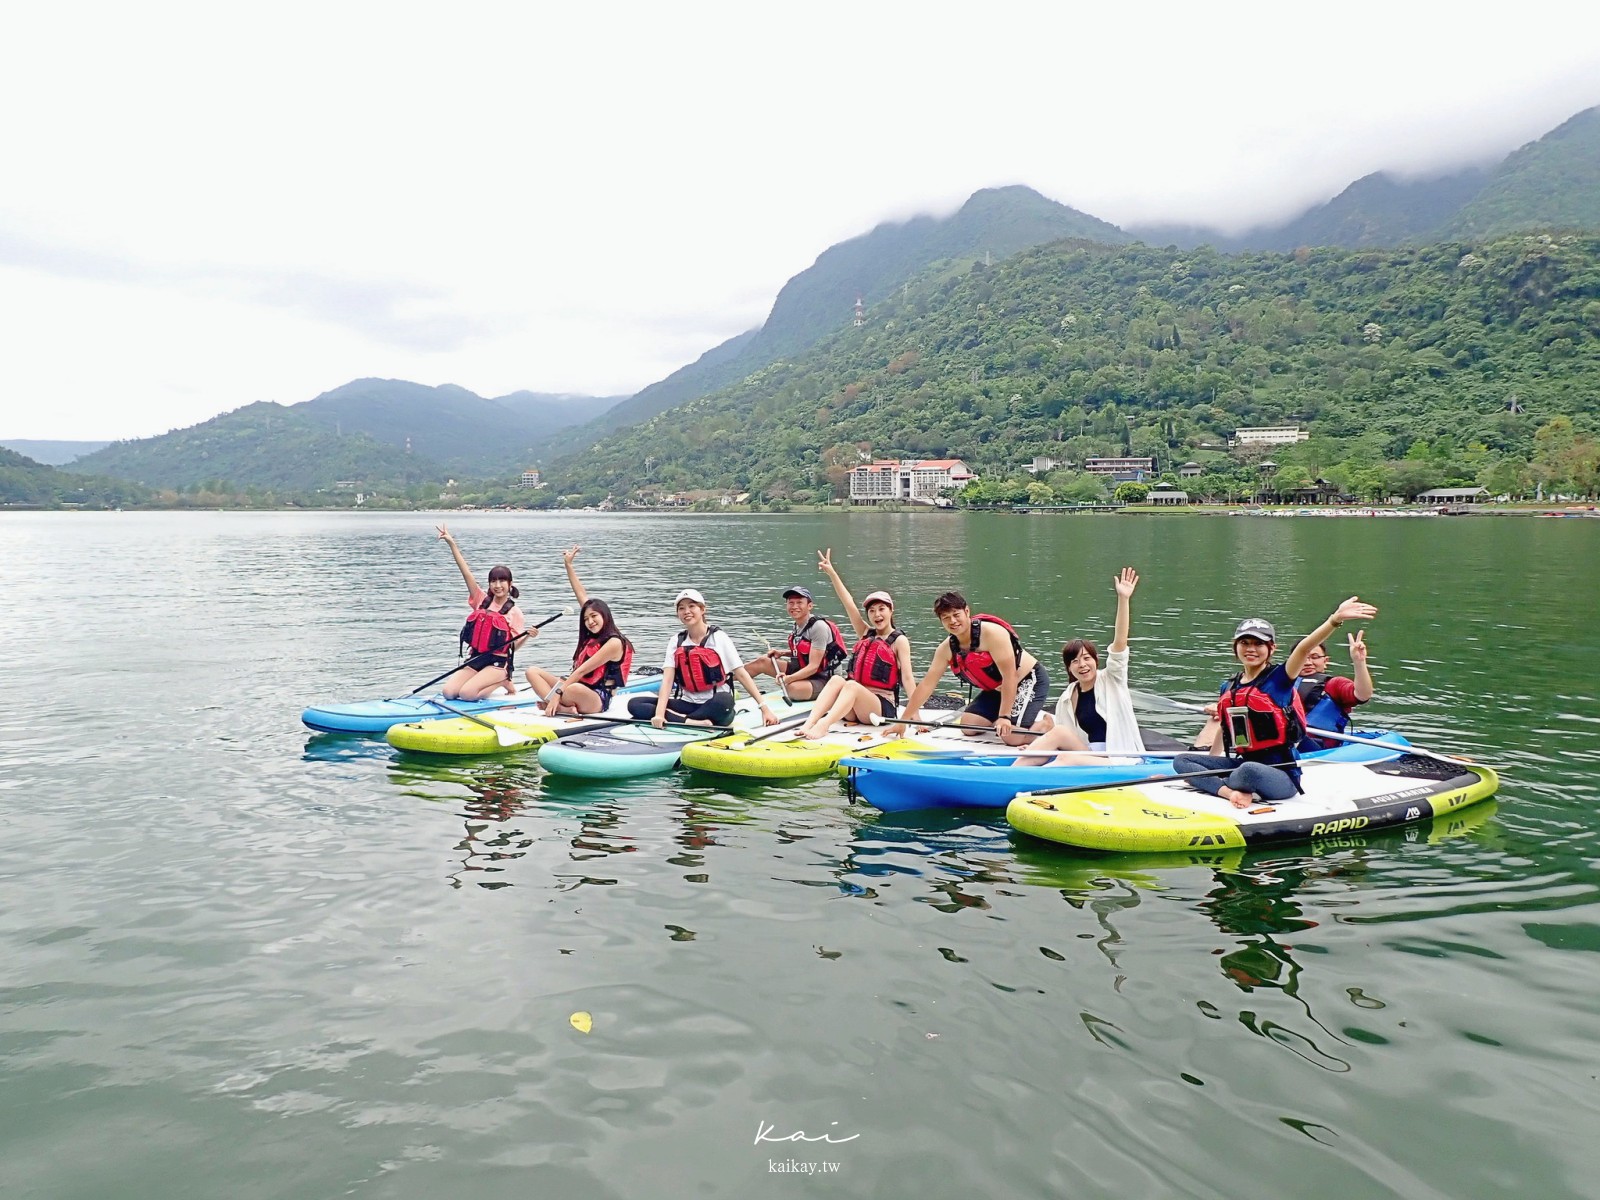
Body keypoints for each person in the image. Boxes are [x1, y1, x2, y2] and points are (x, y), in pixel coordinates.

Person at [1171, 597, 1378, 809]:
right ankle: (1227, 792)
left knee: (1248, 770)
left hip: (1279, 775)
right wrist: (1206, 768)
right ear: (1235, 647)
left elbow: (1303, 649)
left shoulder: (1279, 679)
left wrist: (1334, 620)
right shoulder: (1229, 686)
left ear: (1271, 648)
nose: (1251, 649)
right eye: (1245, 643)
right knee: (1182, 761)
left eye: (1258, 643)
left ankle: (1218, 785)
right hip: (1243, 763)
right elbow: (1225, 729)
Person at [1014, 567, 1145, 765]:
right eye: (1074, 661)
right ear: (1069, 668)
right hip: (1089, 754)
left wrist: (1123, 599)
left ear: (1096, 660)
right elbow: (1064, 735)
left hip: (1119, 759)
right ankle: (1016, 772)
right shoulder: (1069, 695)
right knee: (1057, 735)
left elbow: (1120, 643)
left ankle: (1028, 778)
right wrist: (1039, 747)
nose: (1082, 665)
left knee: (1066, 758)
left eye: (1086, 658)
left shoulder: (1112, 679)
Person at [897, 592, 1049, 747]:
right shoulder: (946, 648)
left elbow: (1010, 676)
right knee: (969, 725)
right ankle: (1009, 718)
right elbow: (927, 684)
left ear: (967, 612)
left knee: (1012, 738)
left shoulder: (992, 634)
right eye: (946, 618)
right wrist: (903, 720)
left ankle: (1045, 724)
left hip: (1028, 679)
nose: (953, 621)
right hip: (997, 689)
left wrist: (1004, 716)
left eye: (956, 615)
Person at [795, 549, 917, 740]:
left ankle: (823, 726)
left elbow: (908, 679)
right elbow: (848, 603)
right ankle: (809, 724)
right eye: (872, 611)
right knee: (836, 680)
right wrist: (832, 573)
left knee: (850, 685)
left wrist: (912, 715)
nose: (877, 615)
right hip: (855, 707)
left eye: (882, 609)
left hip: (881, 709)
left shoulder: (899, 640)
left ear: (891, 611)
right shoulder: (865, 633)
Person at [626, 588, 780, 728]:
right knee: (635, 704)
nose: (687, 611)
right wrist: (659, 714)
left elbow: (741, 673)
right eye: (681, 608)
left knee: (725, 700)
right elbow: (667, 680)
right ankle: (692, 722)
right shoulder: (676, 641)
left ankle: (677, 719)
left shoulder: (719, 638)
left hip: (715, 705)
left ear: (702, 609)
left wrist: (764, 709)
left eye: (692, 606)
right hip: (687, 703)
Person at [524, 546, 634, 716]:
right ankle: (563, 708)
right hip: (578, 689)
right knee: (532, 672)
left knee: (571, 686)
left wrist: (557, 694)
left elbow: (581, 671)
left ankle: (555, 705)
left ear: (604, 615)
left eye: (594, 616)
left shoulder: (614, 642)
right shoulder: (594, 628)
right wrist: (568, 565)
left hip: (598, 698)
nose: (590, 621)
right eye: (586, 619)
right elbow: (582, 596)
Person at [436, 525, 528, 701]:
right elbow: (466, 573)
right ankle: (488, 680)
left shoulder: (515, 612)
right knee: (449, 693)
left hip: (498, 663)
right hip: (476, 658)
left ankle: (503, 680)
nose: (498, 585)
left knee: (467, 694)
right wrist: (451, 543)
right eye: (493, 581)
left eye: (502, 581)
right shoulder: (481, 600)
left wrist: (528, 636)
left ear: (510, 584)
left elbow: (512, 646)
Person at [745, 584, 848, 701]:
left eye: (799, 603)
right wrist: (782, 653)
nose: (794, 607)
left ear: (810, 606)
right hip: (804, 671)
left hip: (825, 678)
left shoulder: (818, 627)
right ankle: (726, 680)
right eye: (791, 603)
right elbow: (806, 651)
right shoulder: (798, 625)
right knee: (763, 662)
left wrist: (788, 679)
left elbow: (814, 666)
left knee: (791, 688)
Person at [1296, 630, 1374, 751]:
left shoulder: (1334, 685)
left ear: (1325, 661)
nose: (1308, 662)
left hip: (1319, 750)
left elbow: (1363, 695)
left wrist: (1359, 662)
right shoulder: (1278, 683)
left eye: (1315, 657)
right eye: (1302, 657)